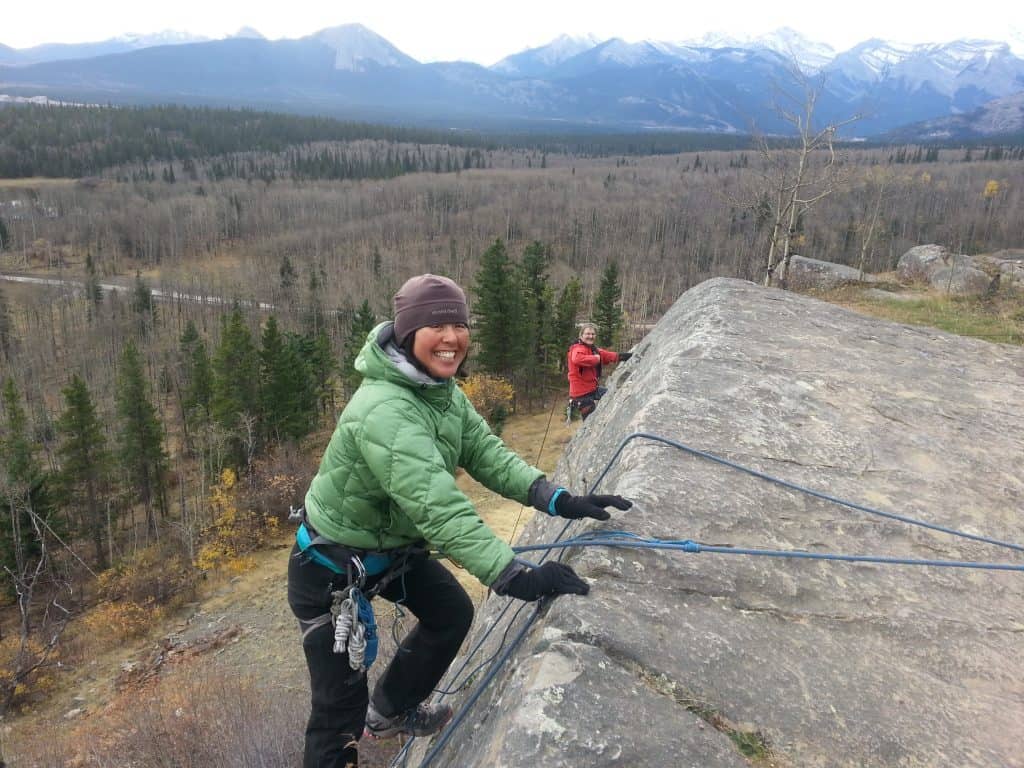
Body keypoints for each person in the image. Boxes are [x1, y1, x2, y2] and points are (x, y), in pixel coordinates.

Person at [288, 274, 632, 767]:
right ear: (407, 333)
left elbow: (487, 454)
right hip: (331, 568)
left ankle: (390, 711)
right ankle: (360, 725)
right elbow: (436, 505)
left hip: (388, 554)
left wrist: (559, 499)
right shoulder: (385, 408)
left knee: (450, 612)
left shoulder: (440, 391)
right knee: (337, 714)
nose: (451, 338)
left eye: (459, 324)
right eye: (436, 325)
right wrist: (514, 576)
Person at [567, 323, 632, 420]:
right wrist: (595, 359)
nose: (590, 336)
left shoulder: (593, 349)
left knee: (612, 395)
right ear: (581, 336)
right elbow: (576, 359)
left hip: (592, 389)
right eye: (587, 334)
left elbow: (609, 355)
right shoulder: (577, 348)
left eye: (593, 334)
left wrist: (628, 356)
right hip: (581, 395)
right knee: (590, 421)